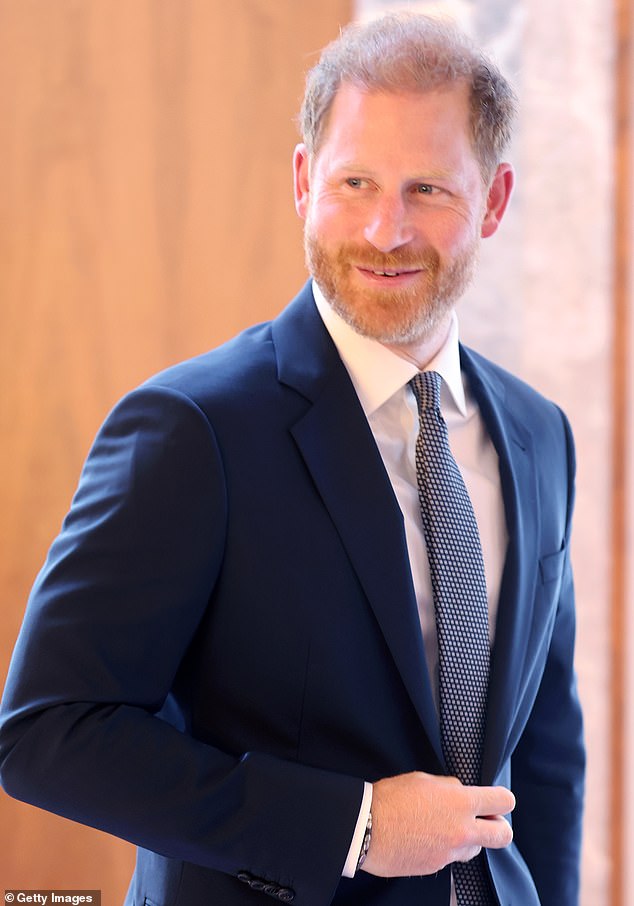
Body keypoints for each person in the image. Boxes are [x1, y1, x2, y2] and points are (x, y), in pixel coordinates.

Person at [0, 12, 585, 906]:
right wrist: (354, 826)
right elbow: (47, 734)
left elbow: (544, 753)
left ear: (495, 201)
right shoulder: (192, 430)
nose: (385, 230)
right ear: (305, 181)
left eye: (428, 189)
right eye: (356, 182)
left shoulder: (540, 435)